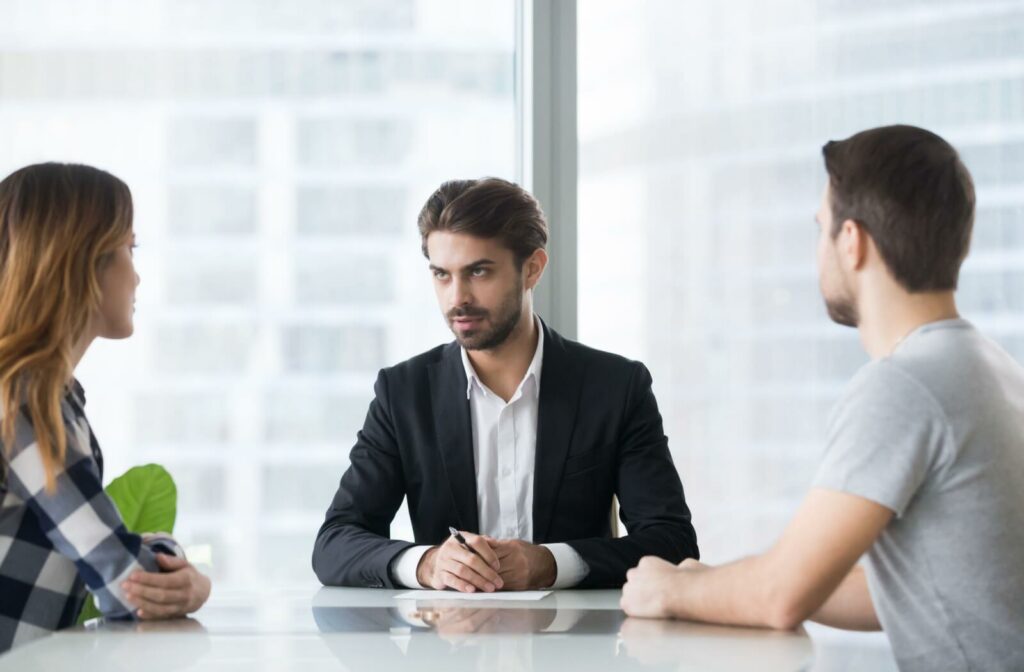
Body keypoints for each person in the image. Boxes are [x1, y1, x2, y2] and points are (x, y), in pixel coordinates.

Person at [621, 125, 1024, 671]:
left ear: (852, 241)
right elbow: (914, 590)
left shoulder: (905, 386)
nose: (819, 250)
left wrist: (666, 591)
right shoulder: (987, 367)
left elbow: (780, 598)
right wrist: (708, 582)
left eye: (821, 229)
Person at [313, 177, 698, 592]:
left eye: (478, 271)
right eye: (442, 275)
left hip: (579, 651)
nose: (456, 297)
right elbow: (335, 542)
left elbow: (672, 544)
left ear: (532, 268)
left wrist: (550, 563)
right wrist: (427, 564)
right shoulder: (403, 393)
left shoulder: (616, 387)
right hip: (445, 652)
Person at [0, 163, 211, 653]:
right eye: (128, 249)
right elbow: (126, 583)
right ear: (80, 261)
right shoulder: (25, 397)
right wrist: (184, 569)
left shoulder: (44, 393)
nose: (136, 276)